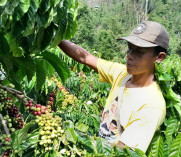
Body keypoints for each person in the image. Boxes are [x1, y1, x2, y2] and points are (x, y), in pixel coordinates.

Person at [58, 21, 168, 153]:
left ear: (159, 57)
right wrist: (53, 34)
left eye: (139, 51)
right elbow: (85, 58)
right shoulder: (123, 74)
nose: (129, 56)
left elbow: (122, 152)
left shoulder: (152, 105)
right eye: (129, 48)